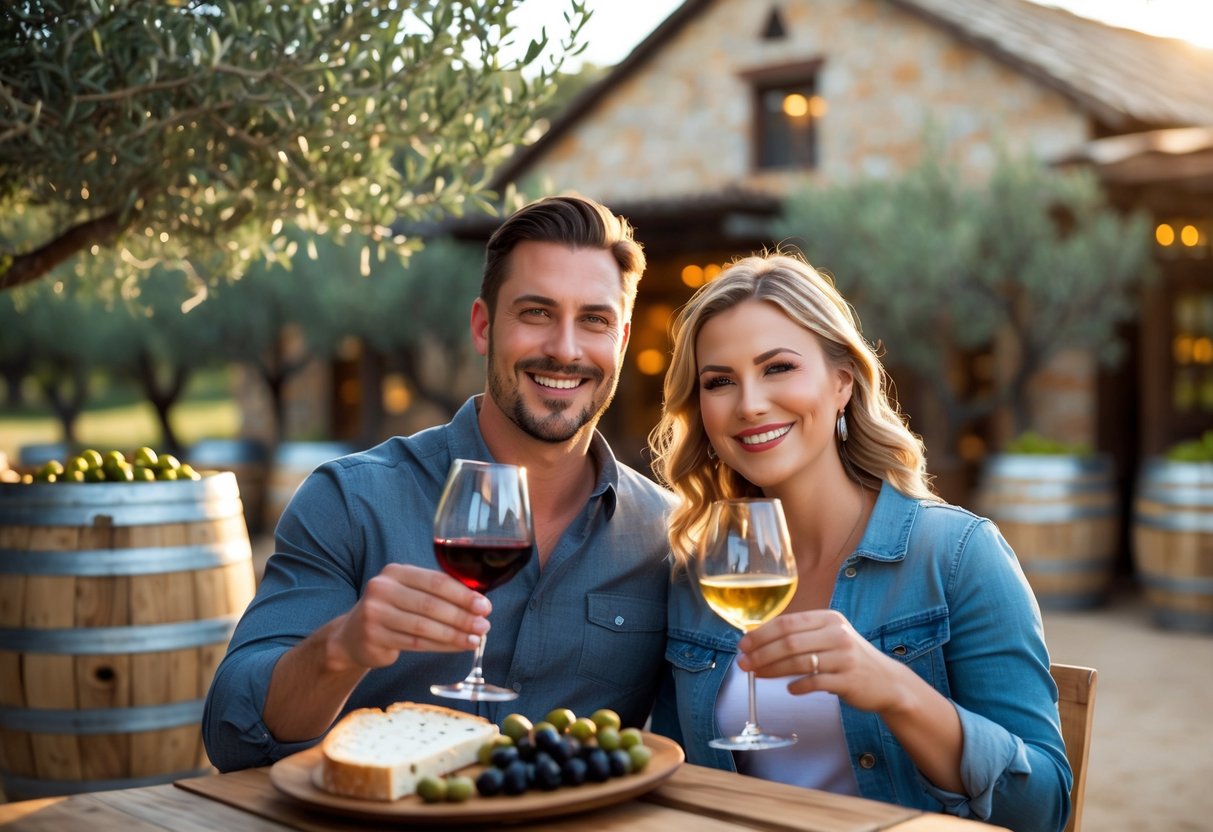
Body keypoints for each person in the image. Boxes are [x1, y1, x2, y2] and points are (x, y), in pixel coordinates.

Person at [203, 195, 675, 771]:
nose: (565, 349)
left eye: (594, 320)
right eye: (536, 313)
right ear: (483, 327)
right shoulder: (351, 502)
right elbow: (234, 732)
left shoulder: (666, 534)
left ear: (622, 341)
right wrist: (341, 647)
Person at [647, 252, 1071, 832]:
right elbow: (677, 785)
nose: (749, 404)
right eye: (720, 382)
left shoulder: (958, 555)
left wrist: (896, 690)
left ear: (842, 381)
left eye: (778, 368)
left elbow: (1043, 810)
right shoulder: (700, 575)